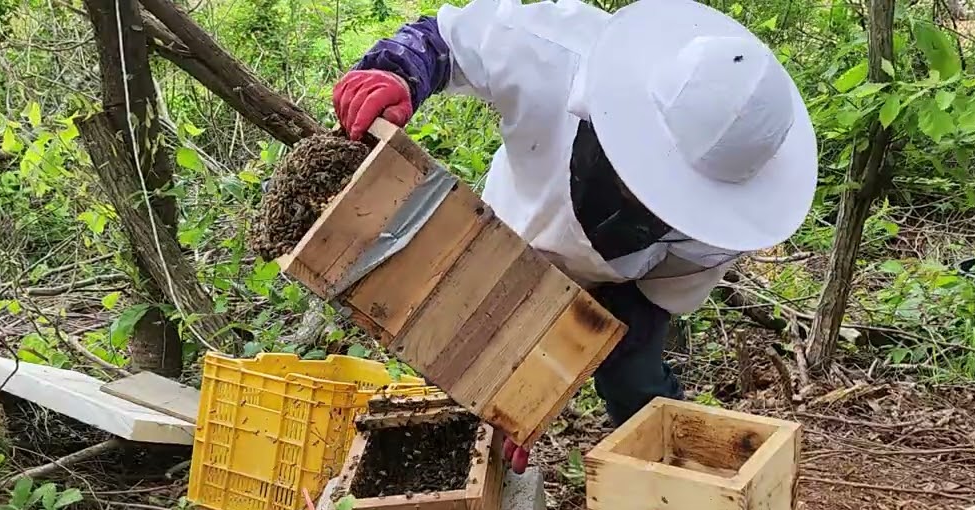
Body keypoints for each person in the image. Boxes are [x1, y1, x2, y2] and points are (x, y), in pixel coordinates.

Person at [332, 0, 817, 473]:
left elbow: (647, 305)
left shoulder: (725, 227)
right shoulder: (553, 53)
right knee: (468, 356)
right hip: (506, 239)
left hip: (623, 284)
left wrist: (546, 376)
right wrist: (397, 71)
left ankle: (672, 483)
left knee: (636, 380)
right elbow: (447, 39)